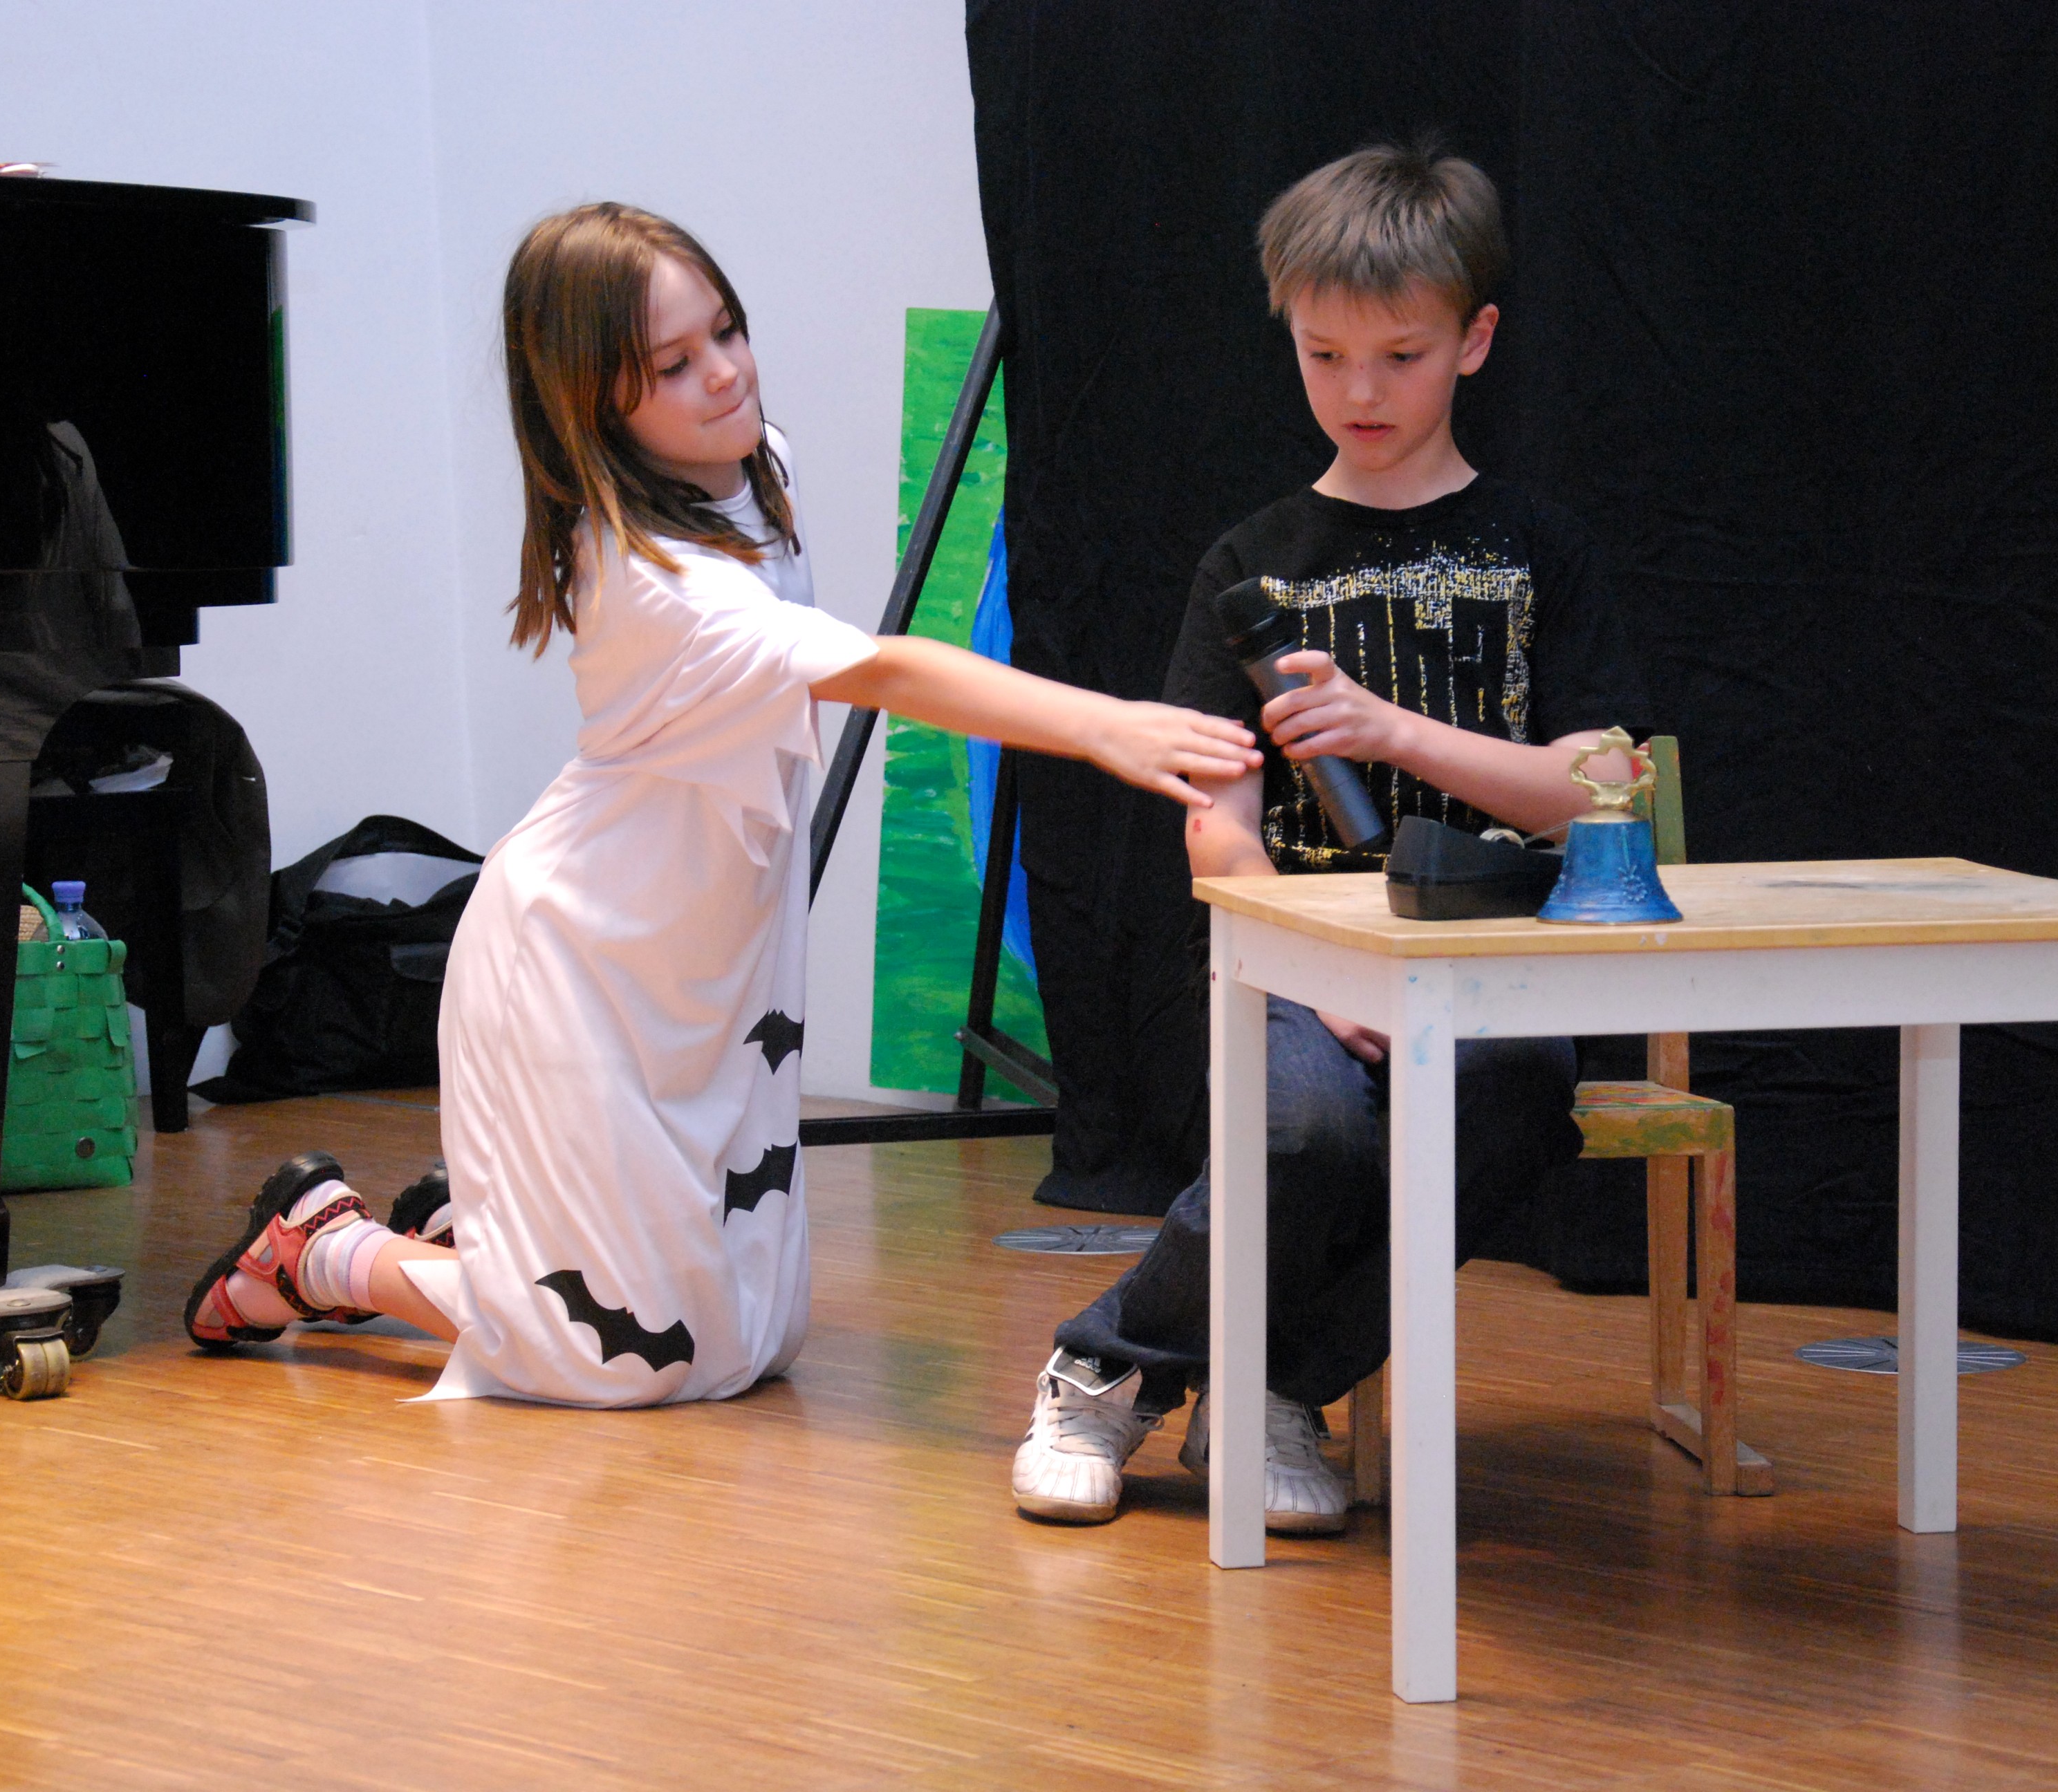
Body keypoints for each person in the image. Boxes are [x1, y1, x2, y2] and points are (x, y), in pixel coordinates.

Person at [184, 202, 1259, 1406]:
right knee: (629, 1359)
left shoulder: (758, 468)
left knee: (752, 1338)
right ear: (594, 401)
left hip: (708, 974)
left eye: (728, 331)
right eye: (673, 365)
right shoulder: (652, 582)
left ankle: (480, 1239)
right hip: (585, 963)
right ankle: (325, 1251)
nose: (726, 374)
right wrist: (1106, 726)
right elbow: (881, 669)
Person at [1012, 142, 1645, 1529]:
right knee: (1304, 1133)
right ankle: (1106, 1371)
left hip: (1494, 966)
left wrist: (1393, 732)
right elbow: (1216, 832)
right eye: (1324, 355)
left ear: (1474, 341)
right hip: (1293, 964)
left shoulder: (1539, 548)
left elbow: (1601, 785)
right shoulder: (1249, 564)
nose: (1361, 391)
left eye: (1400, 357)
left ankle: (1273, 1386)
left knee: (1511, 1101)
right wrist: (1321, 973)